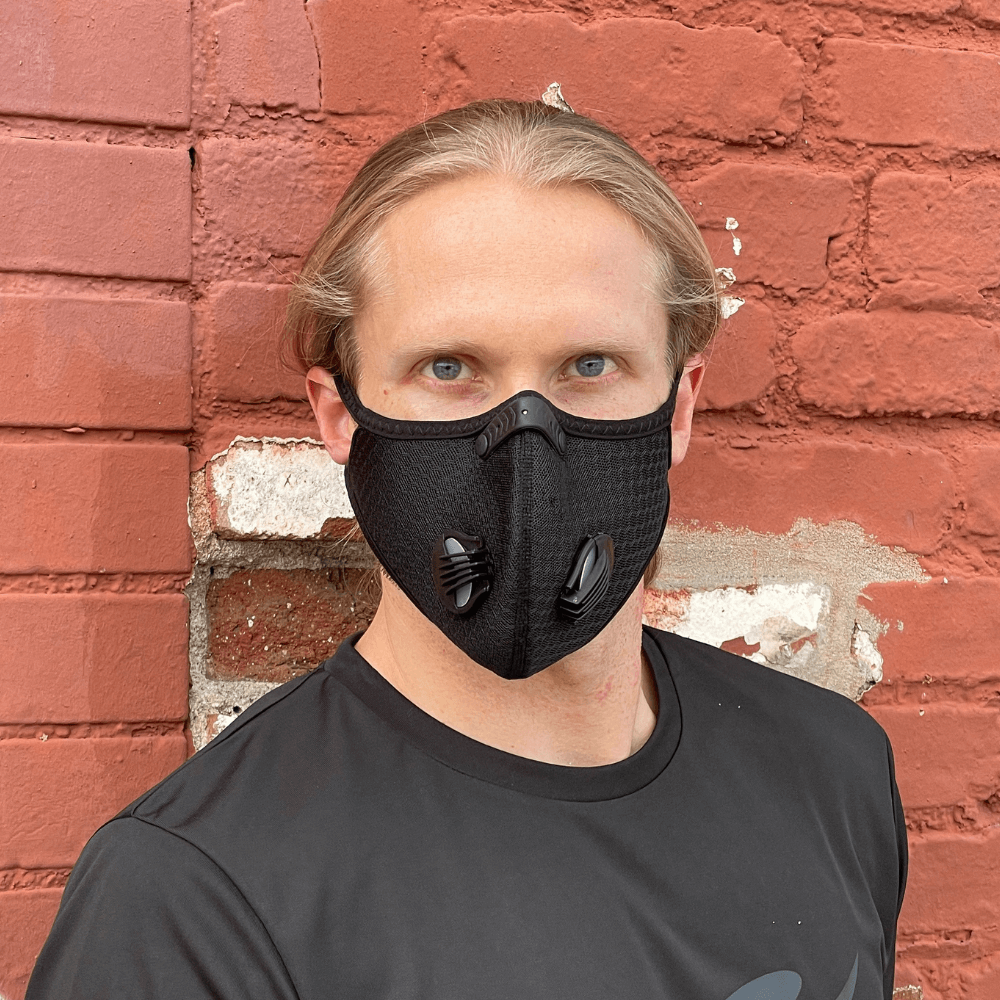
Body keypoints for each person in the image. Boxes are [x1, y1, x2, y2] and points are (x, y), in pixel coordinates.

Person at [27, 99, 906, 1000]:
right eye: (448, 368)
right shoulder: (193, 897)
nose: (526, 444)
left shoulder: (834, 771)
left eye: (590, 366)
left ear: (678, 407)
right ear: (339, 416)